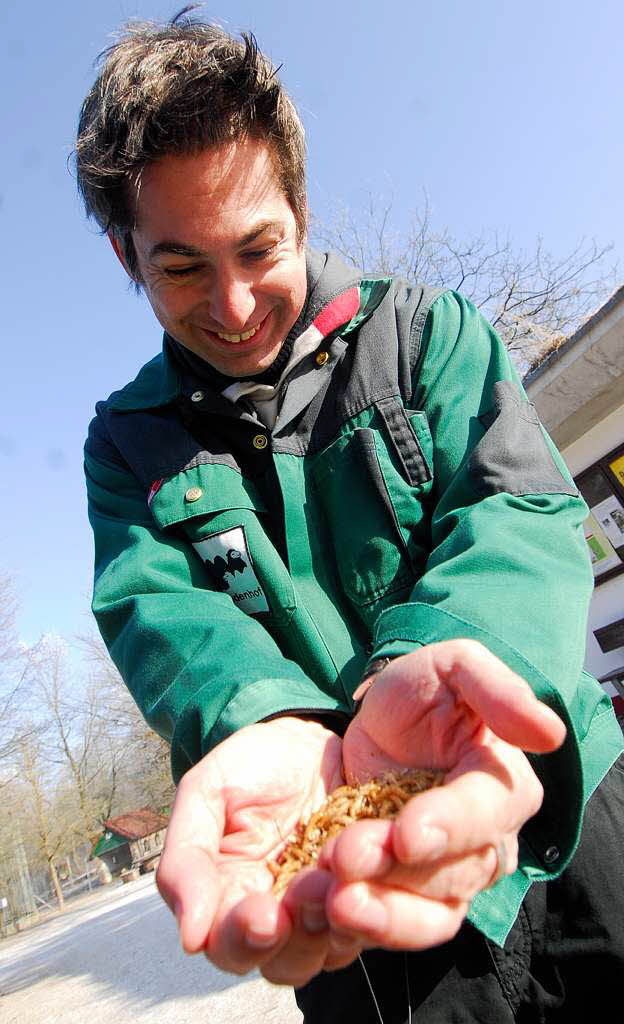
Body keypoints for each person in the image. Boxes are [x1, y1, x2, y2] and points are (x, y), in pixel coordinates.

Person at [77, 11, 624, 1022]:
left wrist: (444, 680)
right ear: (126, 257)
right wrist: (275, 724)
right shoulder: (126, 446)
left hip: (568, 812)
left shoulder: (427, 333)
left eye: (257, 248)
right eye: (181, 266)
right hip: (352, 903)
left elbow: (518, 504)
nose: (235, 305)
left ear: (302, 209)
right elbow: (166, 619)